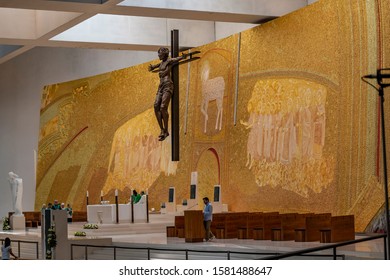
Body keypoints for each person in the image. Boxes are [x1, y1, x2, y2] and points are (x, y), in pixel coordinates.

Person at [148, 47, 187, 141]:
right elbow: (158, 65)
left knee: (162, 107)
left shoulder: (169, 61)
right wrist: (153, 67)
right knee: (156, 105)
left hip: (167, 85)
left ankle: (166, 129)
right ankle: (162, 129)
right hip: (161, 86)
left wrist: (182, 57)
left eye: (160, 53)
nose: (158, 55)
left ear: (164, 54)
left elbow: (175, 59)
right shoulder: (161, 63)